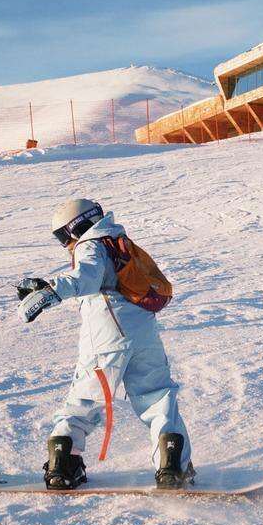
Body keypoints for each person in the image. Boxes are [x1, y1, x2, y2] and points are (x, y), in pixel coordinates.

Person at [16, 198, 195, 490]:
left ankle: (64, 464)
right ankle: (172, 465)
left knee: (85, 400)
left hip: (107, 335)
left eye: (63, 236)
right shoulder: (120, 242)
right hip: (144, 333)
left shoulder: (91, 244)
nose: (65, 245)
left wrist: (51, 292)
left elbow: (84, 276)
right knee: (157, 395)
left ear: (78, 226)